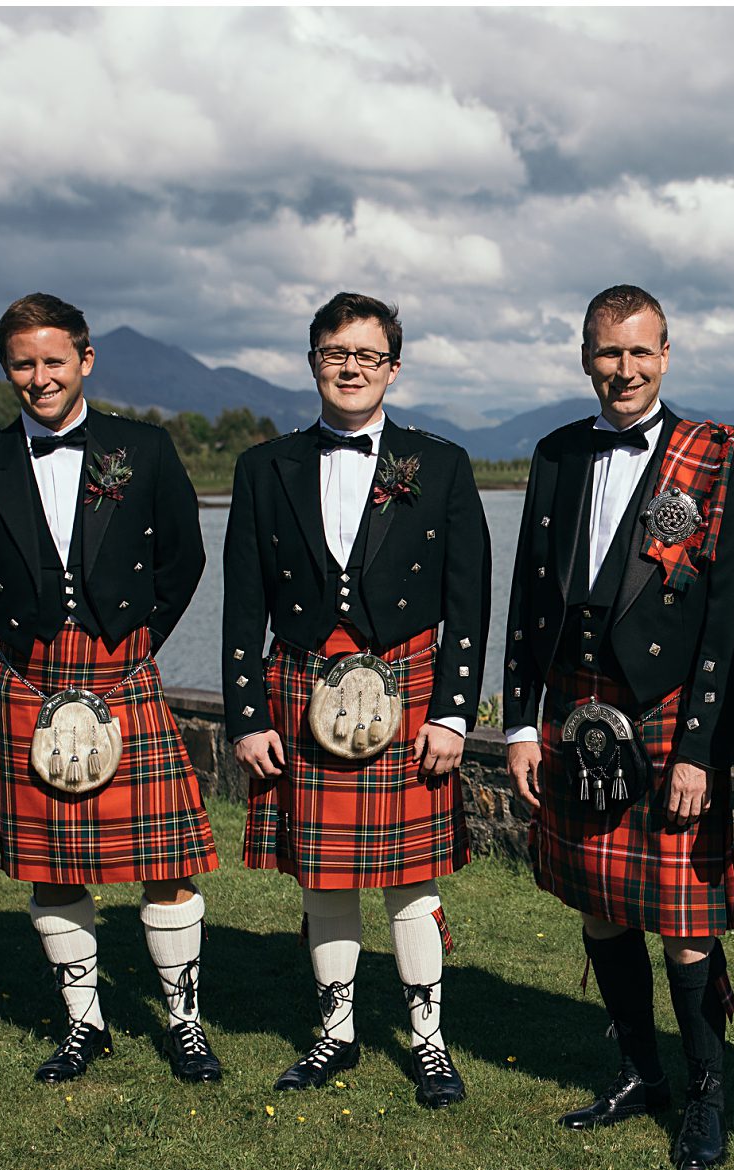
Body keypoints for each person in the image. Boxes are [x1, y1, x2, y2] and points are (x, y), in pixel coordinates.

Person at [503, 284, 734, 1170]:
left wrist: (701, 750)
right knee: (601, 906)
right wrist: (520, 723)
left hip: (662, 718)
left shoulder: (717, 457)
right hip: (575, 712)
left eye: (640, 352)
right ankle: (633, 1071)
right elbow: (531, 597)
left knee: (685, 916)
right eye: (608, 352)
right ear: (585, 355)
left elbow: (732, 619)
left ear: (666, 355)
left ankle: (704, 1094)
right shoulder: (555, 452)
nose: (624, 369)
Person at [222, 292, 489, 1109]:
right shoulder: (265, 467)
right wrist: (246, 713)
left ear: (392, 368)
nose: (350, 367)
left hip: (406, 686)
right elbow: (242, 596)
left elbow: (470, 594)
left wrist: (451, 712)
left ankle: (430, 1043)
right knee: (323, 878)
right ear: (313, 361)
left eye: (367, 356)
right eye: (335, 352)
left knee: (412, 881)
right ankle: (335, 1037)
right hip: (300, 685)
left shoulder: (439, 463)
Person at [0, 292, 222, 1084]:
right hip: (31, 672)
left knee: (165, 859)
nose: (39, 377)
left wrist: (138, 645)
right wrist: (23, 641)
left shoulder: (144, 446)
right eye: (23, 364)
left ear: (85, 360)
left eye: (53, 361)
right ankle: (84, 1025)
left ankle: (186, 1024)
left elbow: (185, 559)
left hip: (122, 667)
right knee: (53, 861)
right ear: (8, 369)